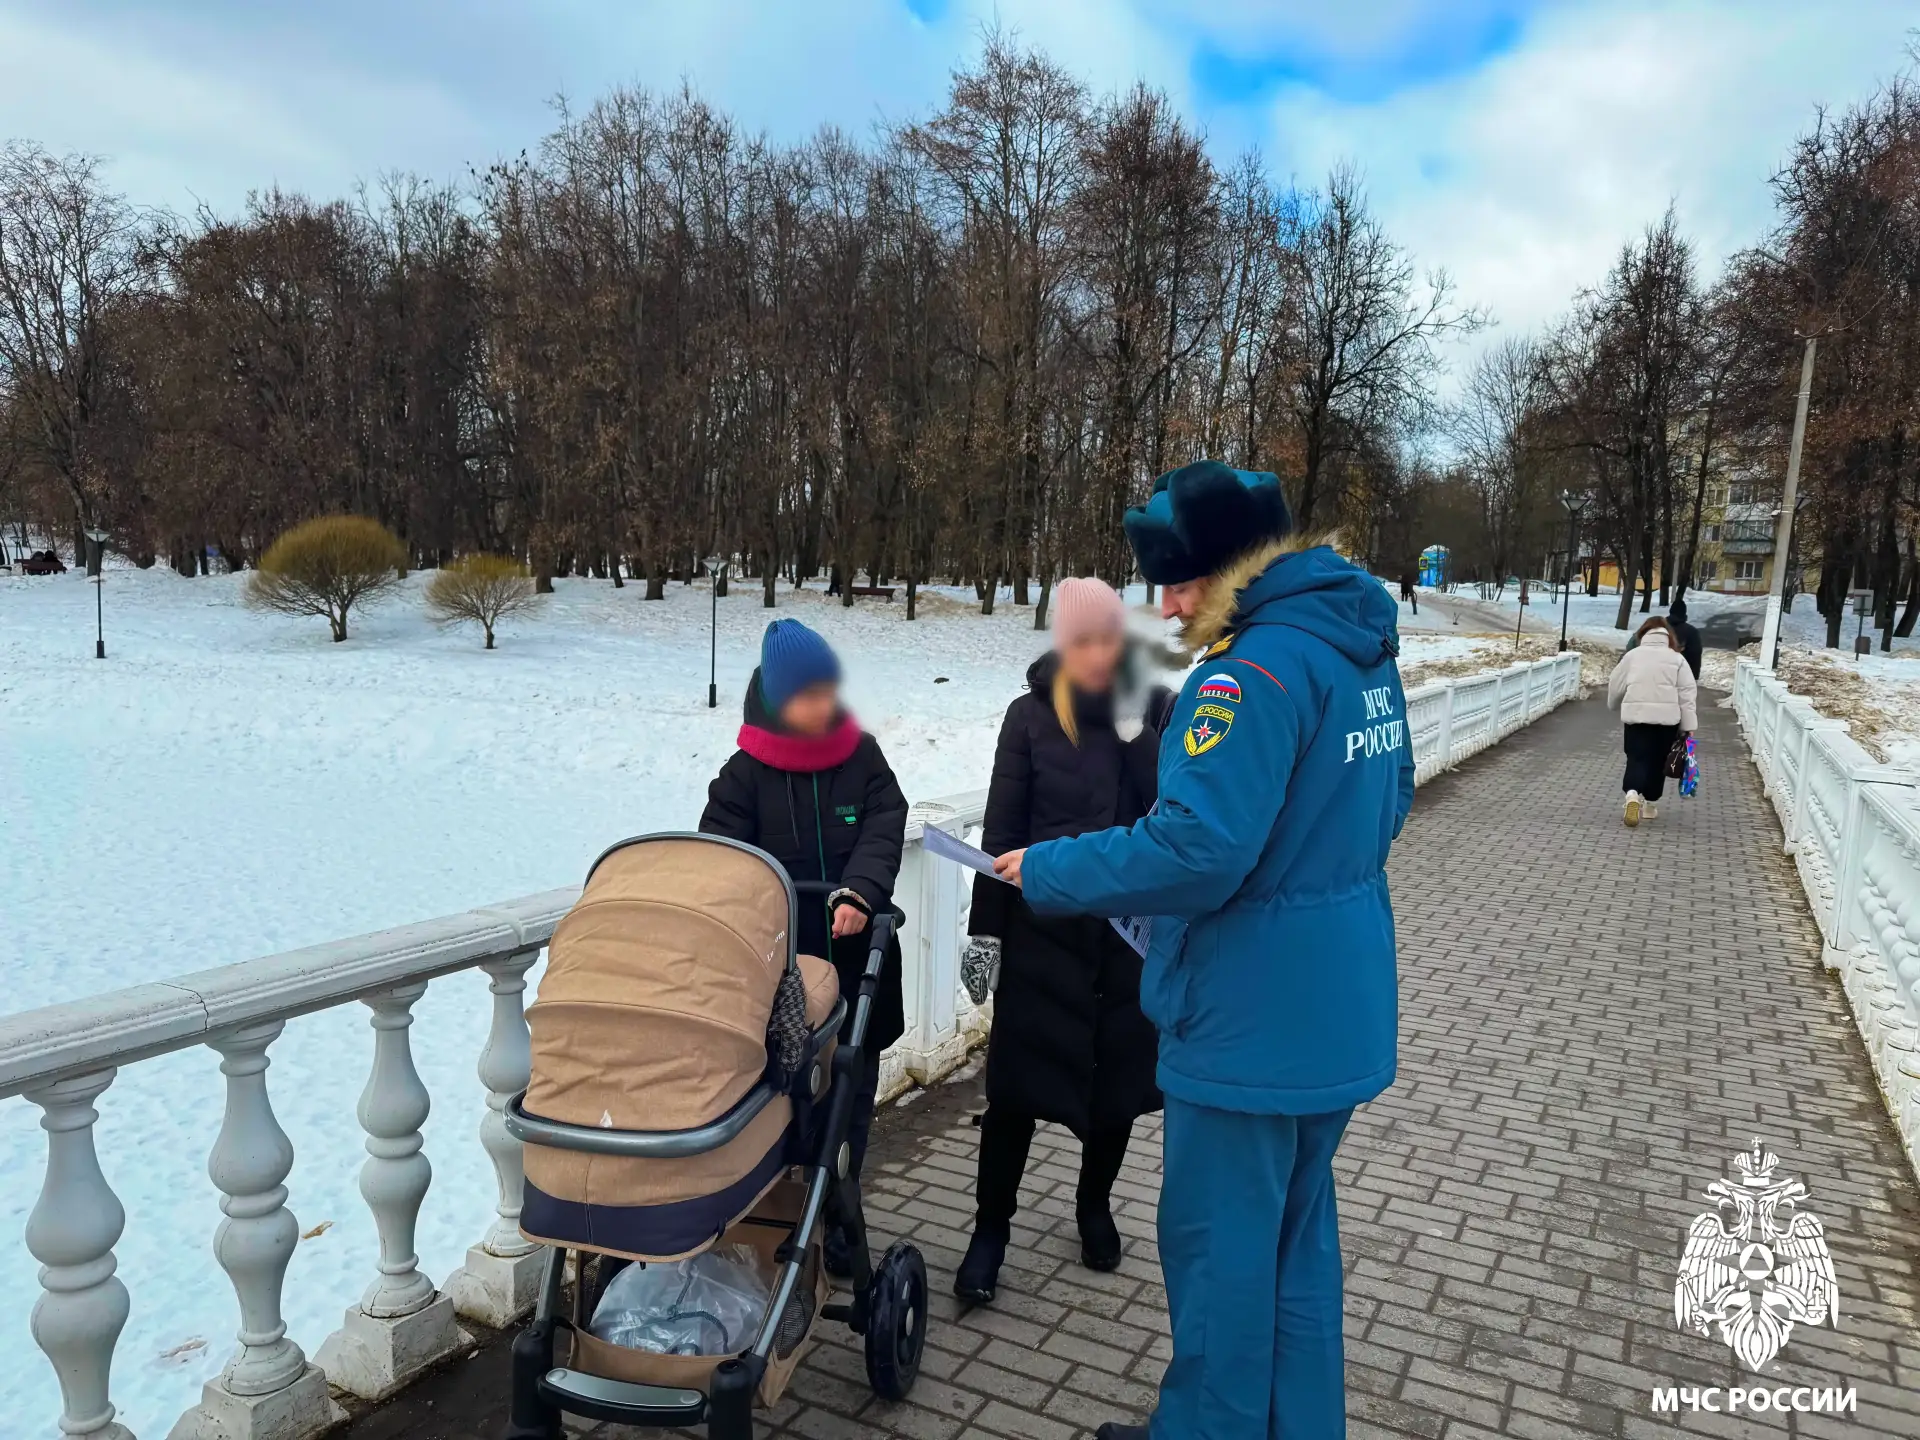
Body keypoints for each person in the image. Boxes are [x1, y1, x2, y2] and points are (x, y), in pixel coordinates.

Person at [995, 461, 1415, 1440]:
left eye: (1180, 581)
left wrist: (1050, 869)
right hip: (1335, 1011)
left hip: (1246, 1026)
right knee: (1295, 1253)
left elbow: (1198, 850)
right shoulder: (1356, 650)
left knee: (1222, 1261)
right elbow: (1390, 801)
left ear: (1234, 566)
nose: (1168, 606)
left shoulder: (1247, 674)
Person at [954, 578, 1172, 1304]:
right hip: (1041, 940)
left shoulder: (1154, 709)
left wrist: (1139, 733)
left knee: (1114, 1093)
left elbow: (1174, 817)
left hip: (1123, 943)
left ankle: (1093, 1206)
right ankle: (990, 1230)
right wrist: (986, 933)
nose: (1096, 654)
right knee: (1013, 1097)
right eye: (1081, 641)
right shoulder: (1029, 716)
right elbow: (1001, 833)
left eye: (1107, 638)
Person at [699, 617, 908, 1273]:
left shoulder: (862, 756)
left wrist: (860, 891)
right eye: (808, 695)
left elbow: (885, 822)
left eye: (828, 690)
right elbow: (721, 860)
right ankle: (781, 1214)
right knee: (785, 1100)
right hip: (781, 976)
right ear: (778, 699)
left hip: (856, 961)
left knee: (851, 1095)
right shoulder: (743, 776)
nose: (824, 706)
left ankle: (841, 1209)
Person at [1607, 614, 1698, 827]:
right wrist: (1689, 726)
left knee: (1636, 757)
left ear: (1643, 634)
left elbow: (1615, 684)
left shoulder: (1632, 656)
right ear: (1668, 636)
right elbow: (1687, 694)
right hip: (1667, 722)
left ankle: (1632, 794)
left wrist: (1613, 704)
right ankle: (1649, 805)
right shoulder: (1677, 659)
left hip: (1636, 718)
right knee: (1658, 762)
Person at [1667, 595, 1704, 678]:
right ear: (1684, 613)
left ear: (1670, 611)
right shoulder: (1692, 631)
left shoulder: (1660, 628)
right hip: (1682, 675)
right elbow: (1695, 655)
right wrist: (1694, 676)